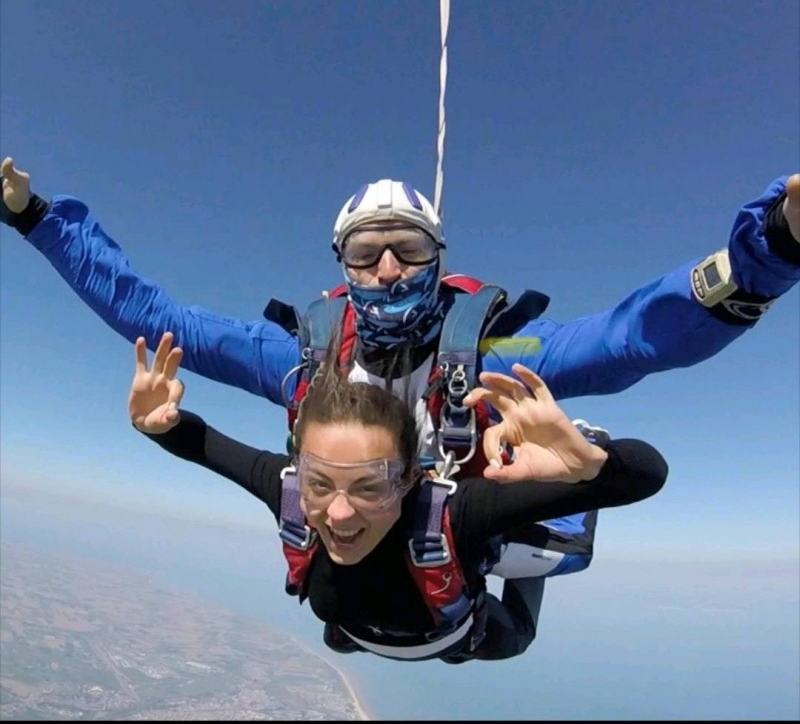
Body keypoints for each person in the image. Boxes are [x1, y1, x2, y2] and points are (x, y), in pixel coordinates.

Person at [1, 161, 799, 639]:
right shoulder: (298, 358)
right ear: (341, 264)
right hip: (359, 546)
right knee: (344, 618)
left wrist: (770, 249)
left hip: (461, 532)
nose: (387, 267)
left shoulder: (493, 352)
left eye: (408, 248)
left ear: (436, 257)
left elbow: (631, 337)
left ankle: (543, 506)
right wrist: (35, 219)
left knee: (512, 622)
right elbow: (159, 319)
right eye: (366, 250)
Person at [129, 331, 669, 663]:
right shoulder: (290, 490)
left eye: (369, 485)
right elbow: (203, 446)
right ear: (300, 469)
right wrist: (159, 426)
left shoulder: (455, 512)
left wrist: (589, 464)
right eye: (319, 482)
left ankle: (530, 539)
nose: (338, 513)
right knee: (341, 632)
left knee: (517, 627)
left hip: (460, 633)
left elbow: (644, 476)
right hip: (383, 629)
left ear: (410, 478)